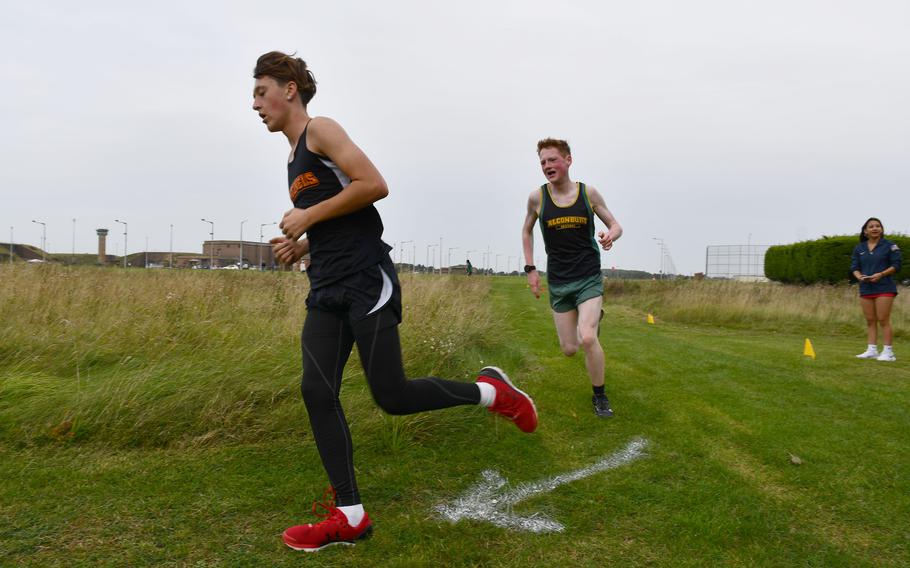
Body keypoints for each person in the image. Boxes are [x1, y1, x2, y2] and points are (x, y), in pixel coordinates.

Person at [251, 51, 538, 552]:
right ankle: (349, 515)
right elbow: (336, 216)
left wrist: (308, 217)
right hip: (326, 288)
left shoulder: (320, 130)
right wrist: (302, 245)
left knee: (393, 396)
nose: (255, 104)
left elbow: (374, 185)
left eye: (260, 92)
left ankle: (492, 392)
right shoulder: (292, 156)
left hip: (366, 280)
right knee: (316, 391)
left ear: (289, 89)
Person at [520, 138, 622, 418]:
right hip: (559, 281)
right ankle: (593, 318)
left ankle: (599, 396)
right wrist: (531, 270)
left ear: (568, 160)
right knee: (569, 348)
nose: (547, 166)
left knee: (588, 338)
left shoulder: (588, 194)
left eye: (552, 160)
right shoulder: (537, 198)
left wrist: (609, 235)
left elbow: (615, 224)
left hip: (588, 276)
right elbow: (526, 231)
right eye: (542, 162)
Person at [851, 217, 902, 361]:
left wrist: (881, 274)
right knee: (870, 320)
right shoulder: (859, 248)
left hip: (884, 287)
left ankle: (888, 352)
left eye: (877, 226)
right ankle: (871, 350)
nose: (875, 228)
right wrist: (859, 277)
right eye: (871, 226)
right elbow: (854, 268)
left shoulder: (890, 246)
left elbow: (896, 265)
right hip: (866, 288)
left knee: (883, 319)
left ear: (881, 229)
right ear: (865, 231)